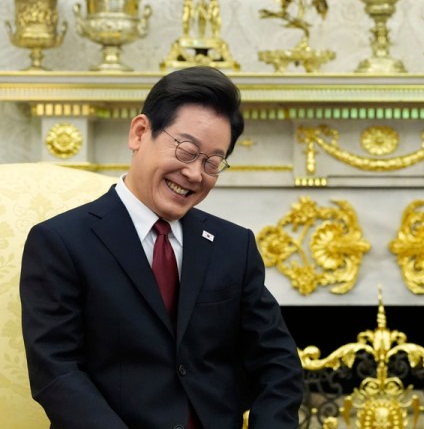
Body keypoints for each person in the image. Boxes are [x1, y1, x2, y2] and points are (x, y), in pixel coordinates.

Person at [20, 66, 304, 429]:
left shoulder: (235, 246)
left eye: (213, 163)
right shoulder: (61, 242)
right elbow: (56, 371)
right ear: (140, 132)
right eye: (187, 151)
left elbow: (277, 362)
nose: (195, 174)